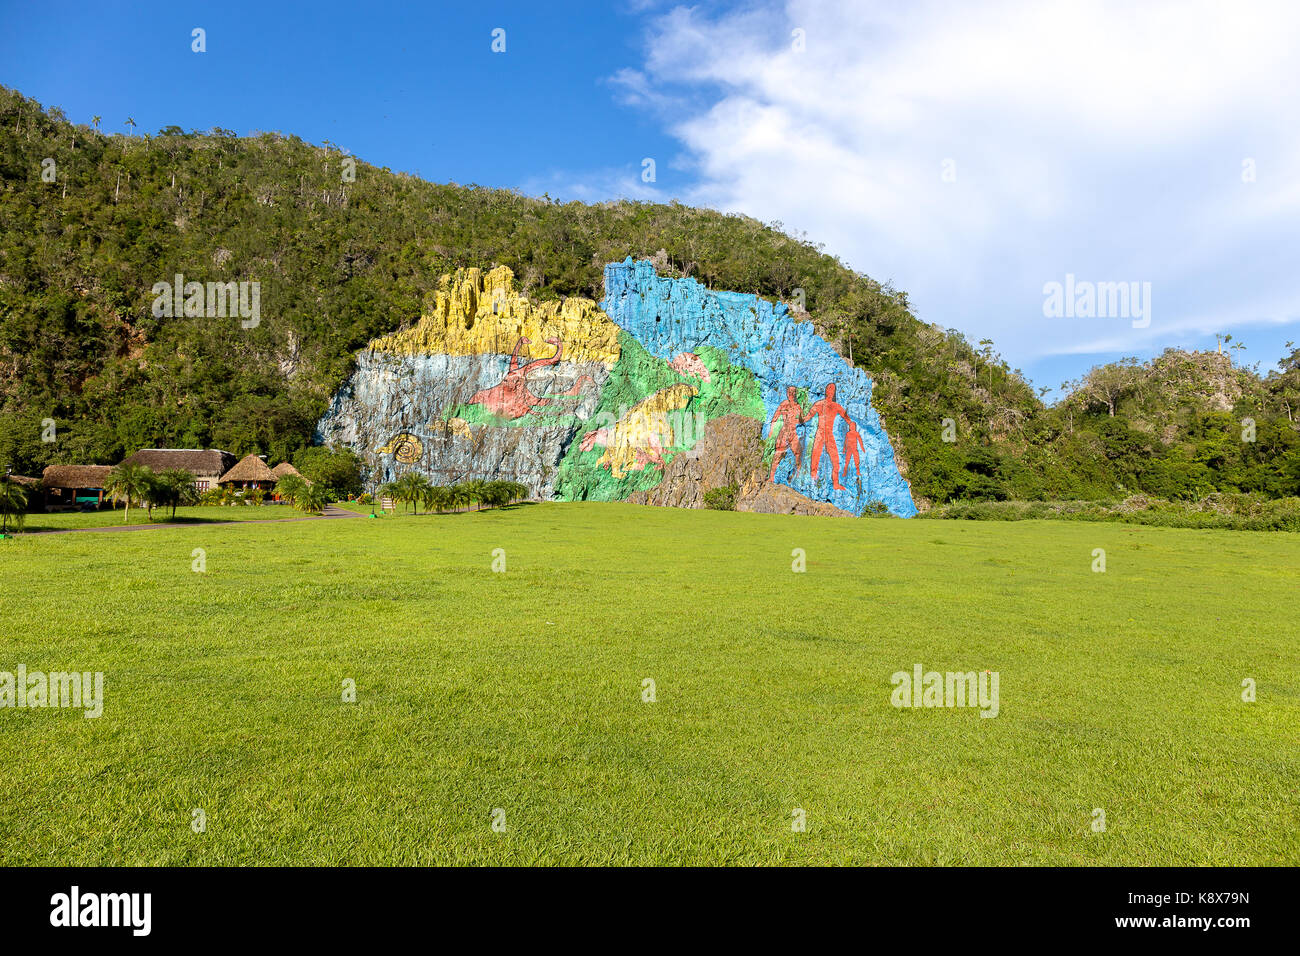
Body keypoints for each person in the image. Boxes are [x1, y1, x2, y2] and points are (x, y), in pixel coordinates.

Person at [807, 383, 851, 490]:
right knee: (815, 455)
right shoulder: (819, 404)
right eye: (828, 388)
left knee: (835, 460)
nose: (830, 390)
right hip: (820, 433)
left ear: (834, 392)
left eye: (833, 389)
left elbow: (847, 418)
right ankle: (813, 477)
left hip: (829, 434)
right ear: (825, 390)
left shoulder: (836, 406)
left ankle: (836, 483)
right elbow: (808, 417)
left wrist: (852, 426)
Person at [767, 386, 807, 482]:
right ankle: (771, 477)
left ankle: (797, 476)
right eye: (789, 392)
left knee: (798, 454)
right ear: (787, 393)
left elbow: (802, 421)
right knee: (778, 453)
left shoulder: (798, 407)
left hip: (793, 433)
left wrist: (801, 414)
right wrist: (771, 431)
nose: (791, 394)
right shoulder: (784, 404)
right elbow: (775, 417)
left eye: (793, 392)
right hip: (784, 432)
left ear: (795, 393)